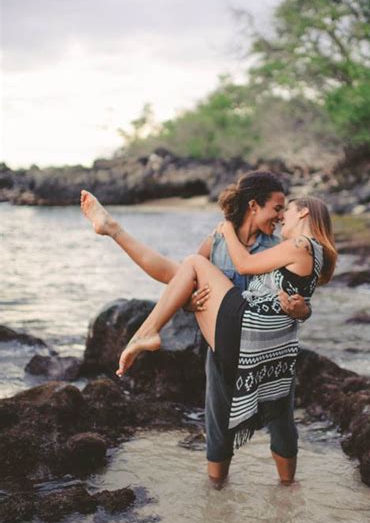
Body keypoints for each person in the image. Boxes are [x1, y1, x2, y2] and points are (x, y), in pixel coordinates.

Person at [81, 172, 312, 485]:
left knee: (282, 426)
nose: (282, 216)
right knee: (218, 428)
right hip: (224, 346)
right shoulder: (218, 241)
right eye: (276, 208)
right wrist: (188, 302)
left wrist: (303, 310)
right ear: (253, 206)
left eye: (285, 210)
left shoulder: (279, 247)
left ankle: (288, 495)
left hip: (268, 351)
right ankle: (216, 501)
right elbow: (178, 277)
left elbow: (301, 296)